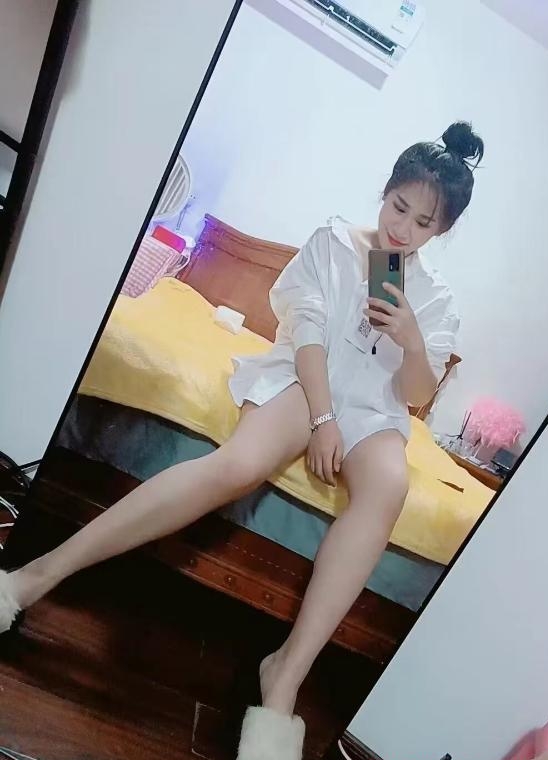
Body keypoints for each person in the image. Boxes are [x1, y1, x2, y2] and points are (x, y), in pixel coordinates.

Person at [0, 121, 484, 760]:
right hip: (308, 381)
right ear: (385, 191)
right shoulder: (334, 241)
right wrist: (322, 419)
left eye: (423, 223)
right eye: (399, 207)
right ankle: (34, 576)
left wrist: (412, 340)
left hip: (376, 410)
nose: (403, 229)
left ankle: (284, 677)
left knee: (390, 487)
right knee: (238, 465)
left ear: (441, 231)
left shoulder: (436, 299)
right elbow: (307, 332)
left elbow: (415, 392)